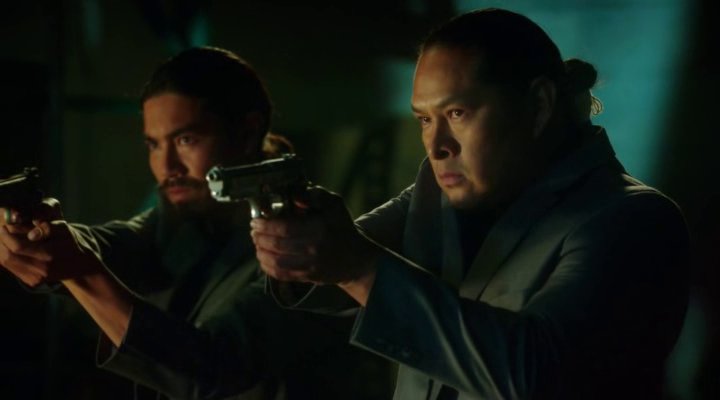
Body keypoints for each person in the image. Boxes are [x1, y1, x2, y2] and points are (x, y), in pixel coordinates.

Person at [250, 9, 690, 399]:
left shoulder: (633, 219)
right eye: (425, 119)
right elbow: (337, 268)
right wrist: (301, 242)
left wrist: (355, 265)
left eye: (457, 113)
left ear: (538, 105)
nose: (436, 145)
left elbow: (537, 373)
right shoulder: (435, 196)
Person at [0, 47, 393, 400]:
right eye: (154, 144)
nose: (167, 166)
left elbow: (212, 367)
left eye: (186, 140)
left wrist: (80, 269)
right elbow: (111, 243)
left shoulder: (306, 244)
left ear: (247, 132)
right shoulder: (178, 224)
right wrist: (42, 234)